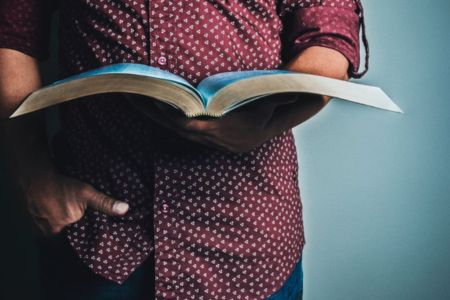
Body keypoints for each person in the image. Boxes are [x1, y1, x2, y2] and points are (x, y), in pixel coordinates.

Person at [0, 0, 368, 299]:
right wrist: (35, 178)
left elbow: (328, 32)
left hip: (247, 236)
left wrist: (265, 124)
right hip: (99, 237)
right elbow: (13, 37)